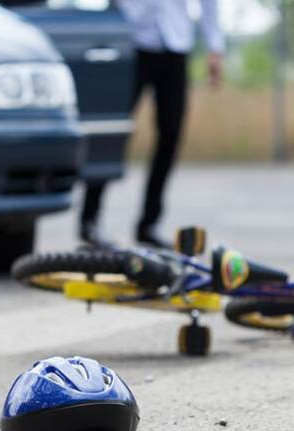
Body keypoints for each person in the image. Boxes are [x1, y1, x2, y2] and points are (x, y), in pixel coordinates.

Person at [80, 0, 224, 249]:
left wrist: (215, 46)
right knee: (113, 133)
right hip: (130, 42)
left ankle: (149, 224)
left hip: (174, 43)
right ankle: (90, 221)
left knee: (170, 135)